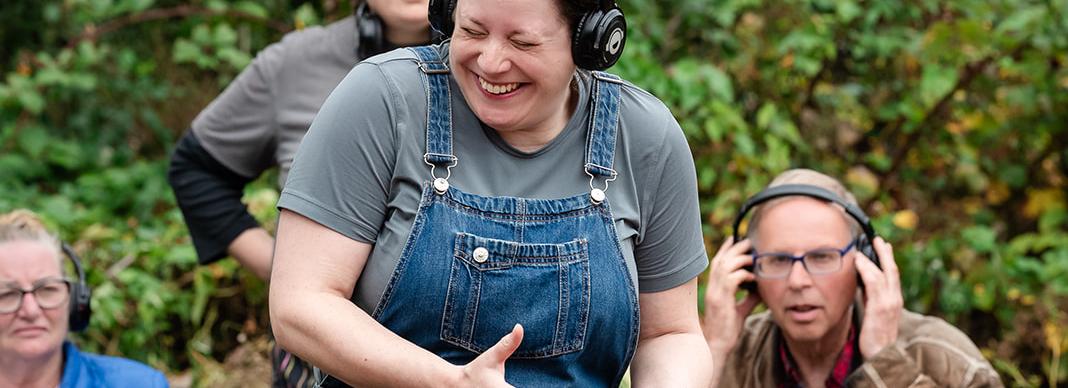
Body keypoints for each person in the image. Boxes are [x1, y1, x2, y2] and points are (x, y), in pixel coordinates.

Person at [269, 0, 713, 386]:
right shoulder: (385, 101)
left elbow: (670, 334)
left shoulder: (644, 137)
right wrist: (450, 382)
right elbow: (301, 306)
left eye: (523, 43)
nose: (491, 62)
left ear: (590, 42)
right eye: (472, 31)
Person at [167, 1, 433, 386]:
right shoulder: (296, 62)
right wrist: (283, 269)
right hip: (313, 370)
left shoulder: (497, 70)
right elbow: (196, 170)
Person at [703, 169, 1003, 387]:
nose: (798, 281)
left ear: (865, 263)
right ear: (748, 272)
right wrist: (713, 351)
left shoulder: (943, 357)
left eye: (821, 257)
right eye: (778, 260)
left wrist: (885, 363)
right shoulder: (731, 357)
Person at [0, 209, 169, 388]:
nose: (31, 311)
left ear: (74, 301)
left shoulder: (139, 384)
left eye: (47, 290)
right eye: (6, 294)